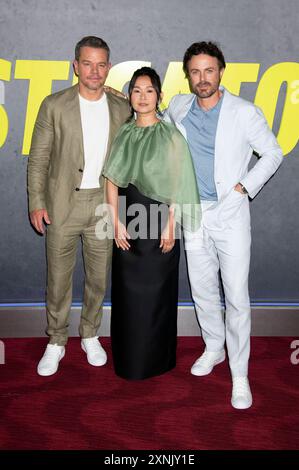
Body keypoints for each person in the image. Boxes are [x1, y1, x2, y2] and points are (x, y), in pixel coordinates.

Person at [164, 41, 283, 409]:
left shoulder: (245, 113)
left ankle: (240, 374)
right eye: (196, 71)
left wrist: (244, 186)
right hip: (194, 214)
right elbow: (157, 127)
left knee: (235, 296)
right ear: (188, 75)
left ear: (221, 72)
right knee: (201, 289)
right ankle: (214, 347)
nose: (203, 78)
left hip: (230, 214)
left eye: (209, 70)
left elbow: (273, 153)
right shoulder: (178, 107)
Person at [28, 36, 131, 376]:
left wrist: (123, 95)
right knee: (58, 279)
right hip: (62, 204)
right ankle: (56, 340)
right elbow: (39, 159)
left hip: (103, 204)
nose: (94, 71)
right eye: (87, 63)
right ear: (76, 66)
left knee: (98, 279)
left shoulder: (121, 107)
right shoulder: (53, 105)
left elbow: (149, 119)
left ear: (109, 68)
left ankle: (90, 333)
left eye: (101, 64)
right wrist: (36, 202)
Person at [103, 67, 201, 380]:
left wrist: (171, 225)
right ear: (130, 96)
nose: (142, 97)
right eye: (136, 90)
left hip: (159, 222)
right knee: (127, 295)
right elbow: (111, 180)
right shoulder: (125, 131)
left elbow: (178, 183)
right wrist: (114, 221)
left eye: (149, 91)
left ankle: (157, 359)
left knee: (157, 293)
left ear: (159, 96)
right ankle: (129, 359)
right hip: (127, 220)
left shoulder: (170, 136)